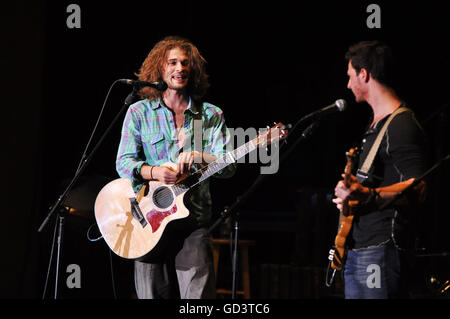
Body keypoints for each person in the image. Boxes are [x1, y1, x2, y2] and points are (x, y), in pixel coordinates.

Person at [116, 36, 236, 299]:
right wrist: (154, 171)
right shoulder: (139, 112)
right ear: (160, 69)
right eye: (172, 62)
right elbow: (123, 163)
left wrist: (200, 156)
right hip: (149, 221)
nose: (179, 68)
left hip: (194, 222)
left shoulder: (211, 115)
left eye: (185, 63)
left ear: (192, 69)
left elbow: (228, 168)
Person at [332, 40, 427, 299]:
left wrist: (368, 195)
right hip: (360, 247)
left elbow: (419, 187)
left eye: (351, 76)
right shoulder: (376, 124)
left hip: (382, 248)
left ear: (364, 74)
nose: (348, 85)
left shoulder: (402, 124)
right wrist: (347, 191)